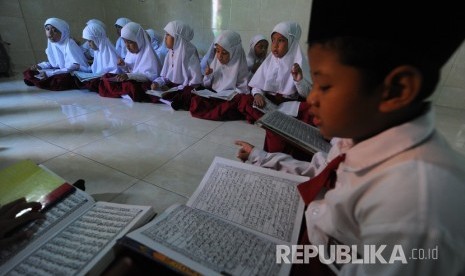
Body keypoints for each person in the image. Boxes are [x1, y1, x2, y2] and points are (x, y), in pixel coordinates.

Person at [236, 0, 465, 275]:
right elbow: (320, 172)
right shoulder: (357, 135)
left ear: (397, 89)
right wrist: (260, 158)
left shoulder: (416, 211)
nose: (314, 99)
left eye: (326, 85)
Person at [238, 21, 312, 124]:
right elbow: (257, 84)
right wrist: (258, 95)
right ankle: (280, 122)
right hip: (269, 101)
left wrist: (298, 80)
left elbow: (306, 94)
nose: (275, 45)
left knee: (311, 108)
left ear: (291, 42)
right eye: (273, 40)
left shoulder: (299, 63)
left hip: (289, 104)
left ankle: (273, 121)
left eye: (280, 40)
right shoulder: (269, 61)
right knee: (244, 100)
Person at [188, 30, 250, 120]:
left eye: (224, 53)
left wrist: (232, 94)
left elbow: (243, 89)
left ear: (234, 52)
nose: (220, 56)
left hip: (229, 98)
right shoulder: (216, 62)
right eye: (217, 51)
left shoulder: (239, 64)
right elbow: (206, 85)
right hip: (214, 95)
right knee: (195, 100)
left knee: (235, 105)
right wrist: (208, 75)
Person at [98, 22, 161, 102]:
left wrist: (129, 76)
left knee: (131, 86)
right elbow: (130, 70)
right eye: (125, 42)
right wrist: (124, 65)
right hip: (131, 79)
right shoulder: (130, 53)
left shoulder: (149, 55)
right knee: (107, 77)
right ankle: (123, 92)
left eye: (130, 42)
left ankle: (123, 93)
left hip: (143, 83)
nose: (127, 46)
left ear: (139, 40)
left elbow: (150, 77)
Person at [23, 17, 90, 91]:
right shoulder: (52, 43)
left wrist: (51, 73)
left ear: (63, 32)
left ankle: (39, 80)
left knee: (60, 80)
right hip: (61, 69)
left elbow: (75, 66)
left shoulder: (69, 43)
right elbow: (54, 63)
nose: (50, 33)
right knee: (30, 71)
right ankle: (39, 80)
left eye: (55, 31)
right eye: (47, 29)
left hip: (74, 72)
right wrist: (40, 66)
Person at [150, 20, 202, 104]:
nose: (165, 38)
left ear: (177, 37)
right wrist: (157, 83)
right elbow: (166, 76)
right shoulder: (170, 53)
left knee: (188, 96)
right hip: (174, 87)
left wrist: (173, 89)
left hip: (185, 87)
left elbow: (194, 83)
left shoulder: (189, 53)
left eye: (168, 35)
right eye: (165, 34)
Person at [76, 22, 120, 91]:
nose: (88, 44)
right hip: (98, 77)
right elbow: (94, 69)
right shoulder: (97, 51)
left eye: (90, 41)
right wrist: (80, 67)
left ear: (97, 39)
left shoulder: (109, 52)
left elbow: (114, 73)